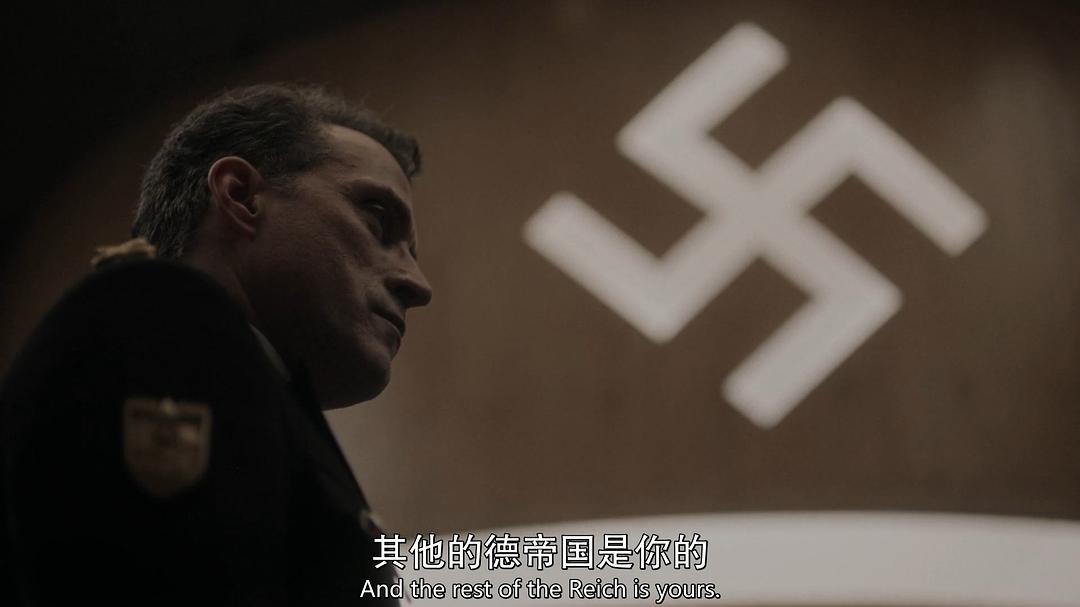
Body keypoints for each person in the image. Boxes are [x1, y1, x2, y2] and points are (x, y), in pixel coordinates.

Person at [0, 83, 433, 605]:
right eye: (378, 220)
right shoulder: (160, 321)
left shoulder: (257, 393)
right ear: (240, 196)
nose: (418, 285)